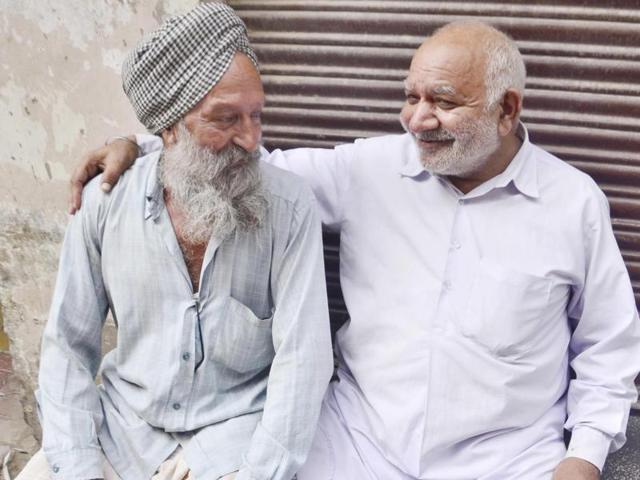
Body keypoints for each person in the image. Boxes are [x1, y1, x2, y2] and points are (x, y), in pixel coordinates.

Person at [70, 18, 640, 480]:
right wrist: (148, 142)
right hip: (355, 444)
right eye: (410, 96)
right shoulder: (369, 167)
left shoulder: (572, 204)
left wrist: (583, 457)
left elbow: (608, 347)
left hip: (506, 459)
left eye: (442, 101)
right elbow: (247, 165)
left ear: (506, 109)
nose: (417, 120)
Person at [18, 4, 333, 480]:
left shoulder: (288, 209)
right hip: (123, 429)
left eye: (256, 115)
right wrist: (78, 467)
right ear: (167, 128)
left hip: (234, 437)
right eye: (225, 119)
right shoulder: (106, 203)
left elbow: (303, 362)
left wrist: (256, 473)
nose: (251, 139)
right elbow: (66, 345)